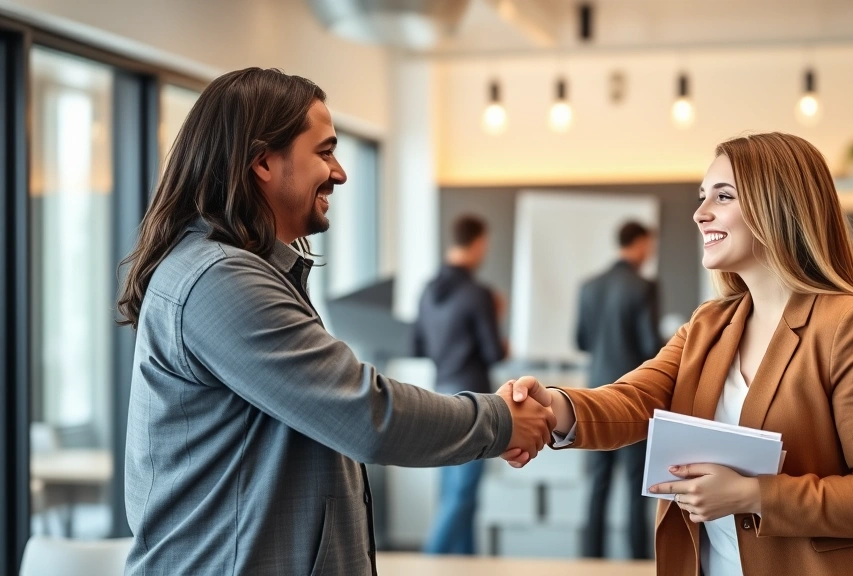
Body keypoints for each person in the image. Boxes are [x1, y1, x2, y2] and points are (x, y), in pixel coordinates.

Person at [115, 67, 555, 576]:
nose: (340, 172)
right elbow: (366, 414)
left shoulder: (236, 270)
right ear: (262, 161)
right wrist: (502, 422)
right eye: (324, 152)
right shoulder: (220, 279)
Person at [503, 132, 853, 575]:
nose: (700, 214)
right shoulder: (710, 325)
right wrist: (552, 408)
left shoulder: (851, 325)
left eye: (722, 197)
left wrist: (754, 494)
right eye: (703, 197)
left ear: (777, 207)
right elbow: (633, 400)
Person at [411, 214, 507, 555]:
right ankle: (428, 562)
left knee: (453, 493)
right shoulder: (478, 294)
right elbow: (494, 352)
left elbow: (417, 347)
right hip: (473, 400)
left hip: (437, 394)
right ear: (479, 242)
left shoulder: (427, 290)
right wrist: (498, 316)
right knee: (464, 494)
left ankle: (465, 565)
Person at [575, 221, 659, 559]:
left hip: (594, 396)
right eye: (649, 246)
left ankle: (591, 558)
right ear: (639, 244)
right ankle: (638, 561)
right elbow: (650, 344)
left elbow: (580, 340)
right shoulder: (643, 287)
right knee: (636, 486)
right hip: (631, 397)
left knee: (598, 484)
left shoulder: (589, 286)